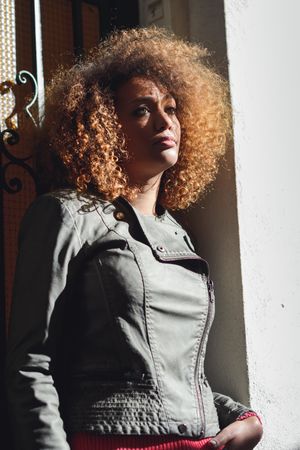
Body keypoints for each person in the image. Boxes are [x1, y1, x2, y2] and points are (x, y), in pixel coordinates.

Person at [6, 27, 263, 450]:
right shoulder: (67, 214)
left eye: (172, 108)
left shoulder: (180, 235)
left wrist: (242, 417)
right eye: (142, 110)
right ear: (103, 125)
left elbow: (178, 380)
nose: (165, 122)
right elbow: (31, 364)